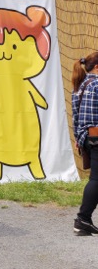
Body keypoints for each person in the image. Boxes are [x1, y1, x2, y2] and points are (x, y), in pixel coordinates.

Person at [71, 52, 98, 236]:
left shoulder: (79, 85)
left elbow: (75, 116)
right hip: (96, 136)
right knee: (96, 180)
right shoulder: (96, 84)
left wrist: (78, 139)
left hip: (86, 138)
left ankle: (84, 220)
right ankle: (83, 218)